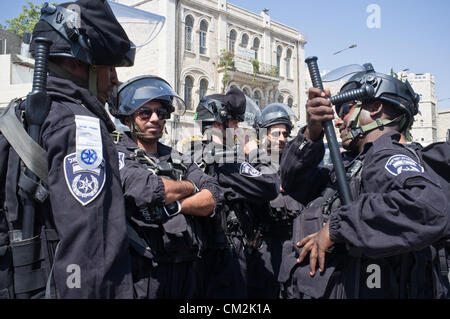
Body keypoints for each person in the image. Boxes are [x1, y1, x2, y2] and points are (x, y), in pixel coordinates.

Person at [0, 0, 136, 298]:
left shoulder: (25, 112)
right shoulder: (79, 126)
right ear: (78, 62)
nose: (115, 79)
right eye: (108, 66)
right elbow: (92, 248)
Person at [278, 66, 449, 298]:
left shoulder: (385, 155)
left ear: (375, 107)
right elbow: (292, 183)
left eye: (346, 110)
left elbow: (428, 206)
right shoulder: (352, 165)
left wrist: (338, 226)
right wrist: (312, 131)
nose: (339, 121)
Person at [111, 75, 222, 299]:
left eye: (161, 114)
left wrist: (177, 206)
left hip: (188, 270)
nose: (155, 119)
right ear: (129, 117)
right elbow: (148, 189)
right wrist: (192, 187)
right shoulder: (117, 153)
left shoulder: (176, 157)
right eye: (145, 112)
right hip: (145, 274)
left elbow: (214, 196)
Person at [191, 88, 279, 298]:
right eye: (235, 125)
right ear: (218, 124)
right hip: (227, 261)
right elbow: (270, 183)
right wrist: (253, 150)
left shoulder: (192, 154)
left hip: (204, 259)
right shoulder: (225, 161)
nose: (239, 130)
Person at [256, 103, 304, 298]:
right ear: (264, 134)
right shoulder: (253, 163)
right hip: (264, 245)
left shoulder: (294, 164)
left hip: (292, 242)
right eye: (276, 133)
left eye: (285, 134)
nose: (282, 139)